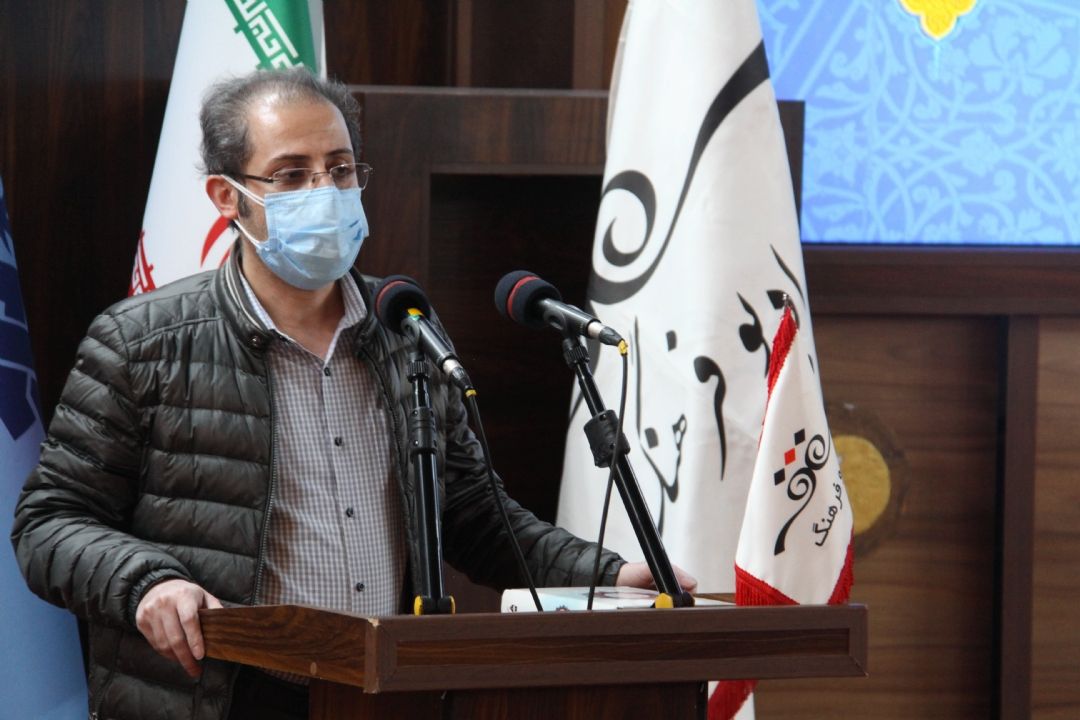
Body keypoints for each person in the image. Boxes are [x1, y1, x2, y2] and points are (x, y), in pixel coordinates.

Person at [10, 68, 694, 720]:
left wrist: (607, 575)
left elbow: (471, 515)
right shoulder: (142, 341)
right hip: (222, 694)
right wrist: (146, 583)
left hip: (385, 690)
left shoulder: (407, 330)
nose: (325, 191)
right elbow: (49, 522)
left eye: (340, 170)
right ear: (227, 196)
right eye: (292, 175)